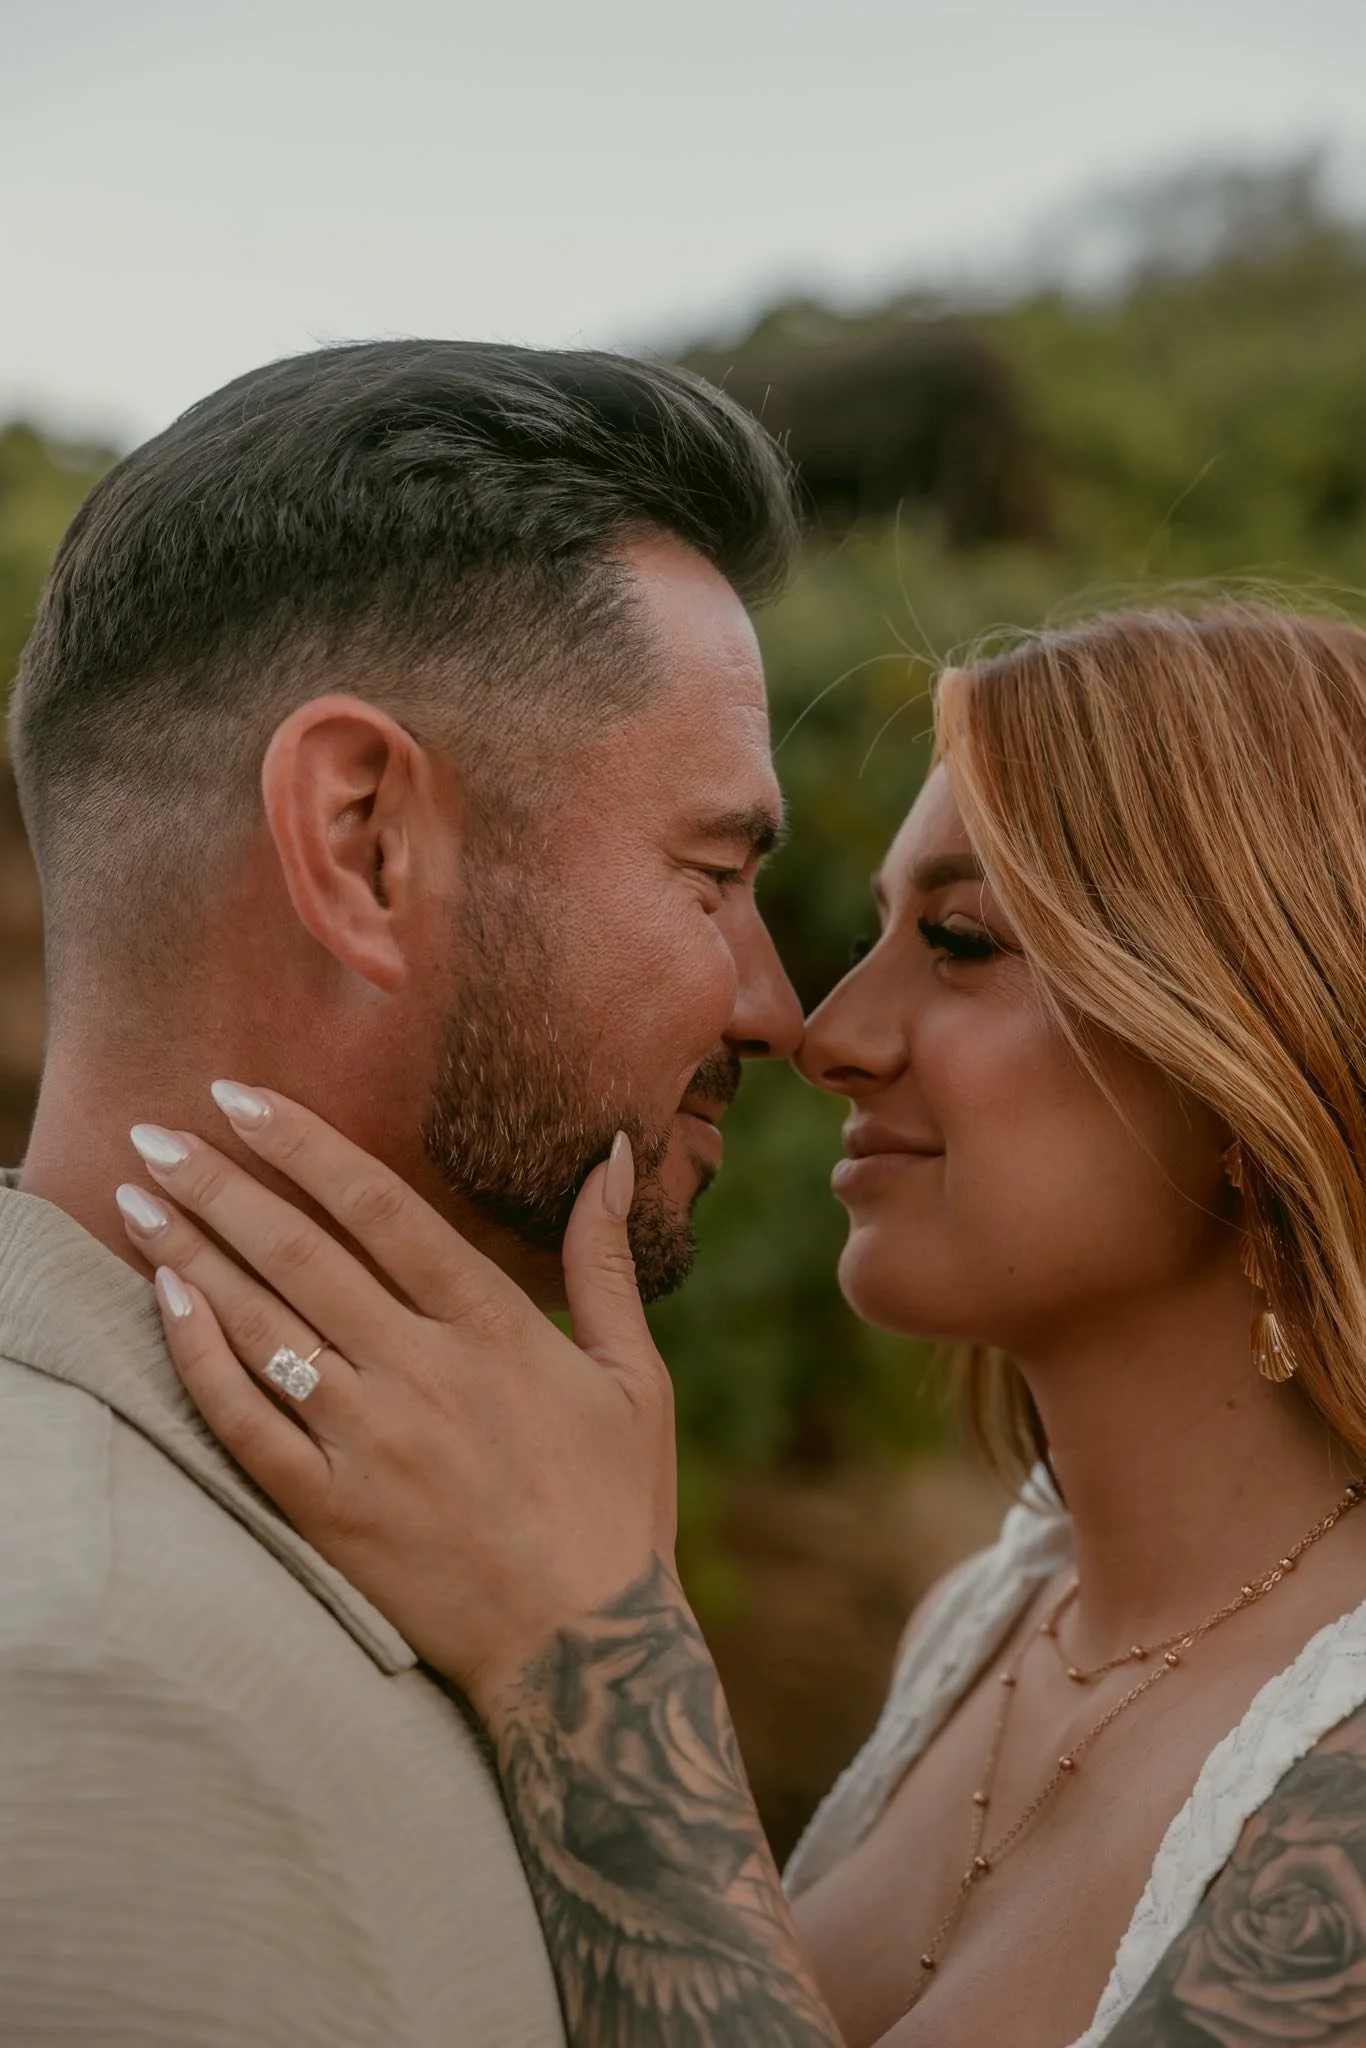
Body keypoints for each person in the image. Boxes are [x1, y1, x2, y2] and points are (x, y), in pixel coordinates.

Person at [127, 601, 1366, 2048]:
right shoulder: (981, 1628)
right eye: (875, 932)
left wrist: (591, 1646)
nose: (831, 1034)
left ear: (1256, 1042)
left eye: (959, 942)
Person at [0, 338, 806, 2044]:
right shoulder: (99, 1701)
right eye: (716, 875)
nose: (778, 1007)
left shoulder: (416, 1546)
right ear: (363, 840)